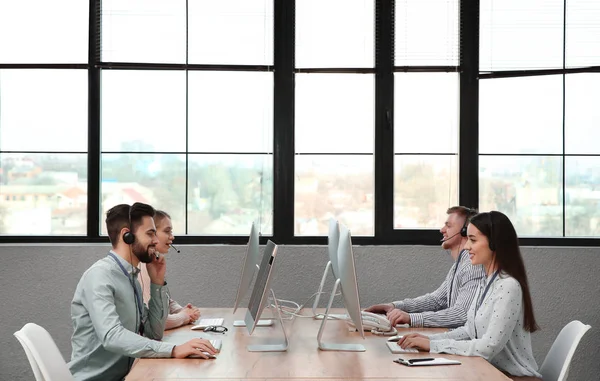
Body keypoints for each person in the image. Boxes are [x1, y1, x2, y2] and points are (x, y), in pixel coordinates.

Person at [69, 203, 216, 381]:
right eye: (150, 233)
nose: (155, 240)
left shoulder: (131, 278)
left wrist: (157, 283)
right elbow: (111, 336)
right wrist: (174, 350)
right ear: (127, 236)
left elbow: (153, 333)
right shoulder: (100, 276)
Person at [398, 211, 542, 379]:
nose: (466, 247)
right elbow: (469, 331)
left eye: (473, 240)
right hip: (490, 372)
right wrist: (431, 340)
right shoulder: (486, 282)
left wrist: (433, 345)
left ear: (494, 243)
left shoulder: (508, 286)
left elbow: (488, 347)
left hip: (513, 377)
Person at [365, 206, 485, 328]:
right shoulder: (459, 265)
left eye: (448, 226)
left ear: (465, 231)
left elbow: (461, 314)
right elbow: (436, 300)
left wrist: (411, 318)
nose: (442, 230)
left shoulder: (472, 266)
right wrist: (395, 306)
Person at [140, 210, 201, 329]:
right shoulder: (142, 268)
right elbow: (157, 320)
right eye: (167, 231)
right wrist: (184, 316)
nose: (172, 237)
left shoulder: (154, 262)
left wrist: (181, 310)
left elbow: (164, 299)